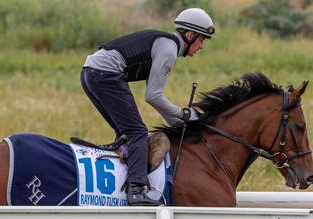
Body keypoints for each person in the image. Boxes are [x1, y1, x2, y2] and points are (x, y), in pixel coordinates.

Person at [80, 8, 214, 206]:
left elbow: (153, 96)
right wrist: (184, 114)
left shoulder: (165, 45)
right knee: (137, 132)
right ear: (190, 35)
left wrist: (175, 122)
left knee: (127, 133)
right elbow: (153, 96)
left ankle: (122, 172)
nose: (201, 46)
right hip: (104, 74)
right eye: (202, 39)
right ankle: (135, 190)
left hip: (90, 72)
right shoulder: (169, 50)